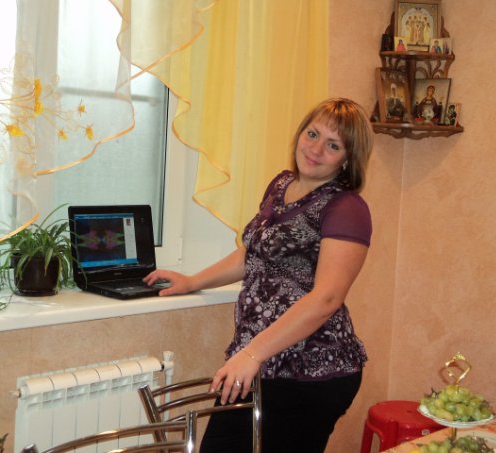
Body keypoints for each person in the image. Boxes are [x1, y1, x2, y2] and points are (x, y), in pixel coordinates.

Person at [144, 98, 373, 453]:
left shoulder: (347, 208)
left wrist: (252, 354)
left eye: (333, 145)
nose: (315, 149)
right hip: (258, 360)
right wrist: (192, 281)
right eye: (312, 134)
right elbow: (253, 253)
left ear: (347, 158)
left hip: (310, 371)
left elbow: (327, 298)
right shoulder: (281, 184)